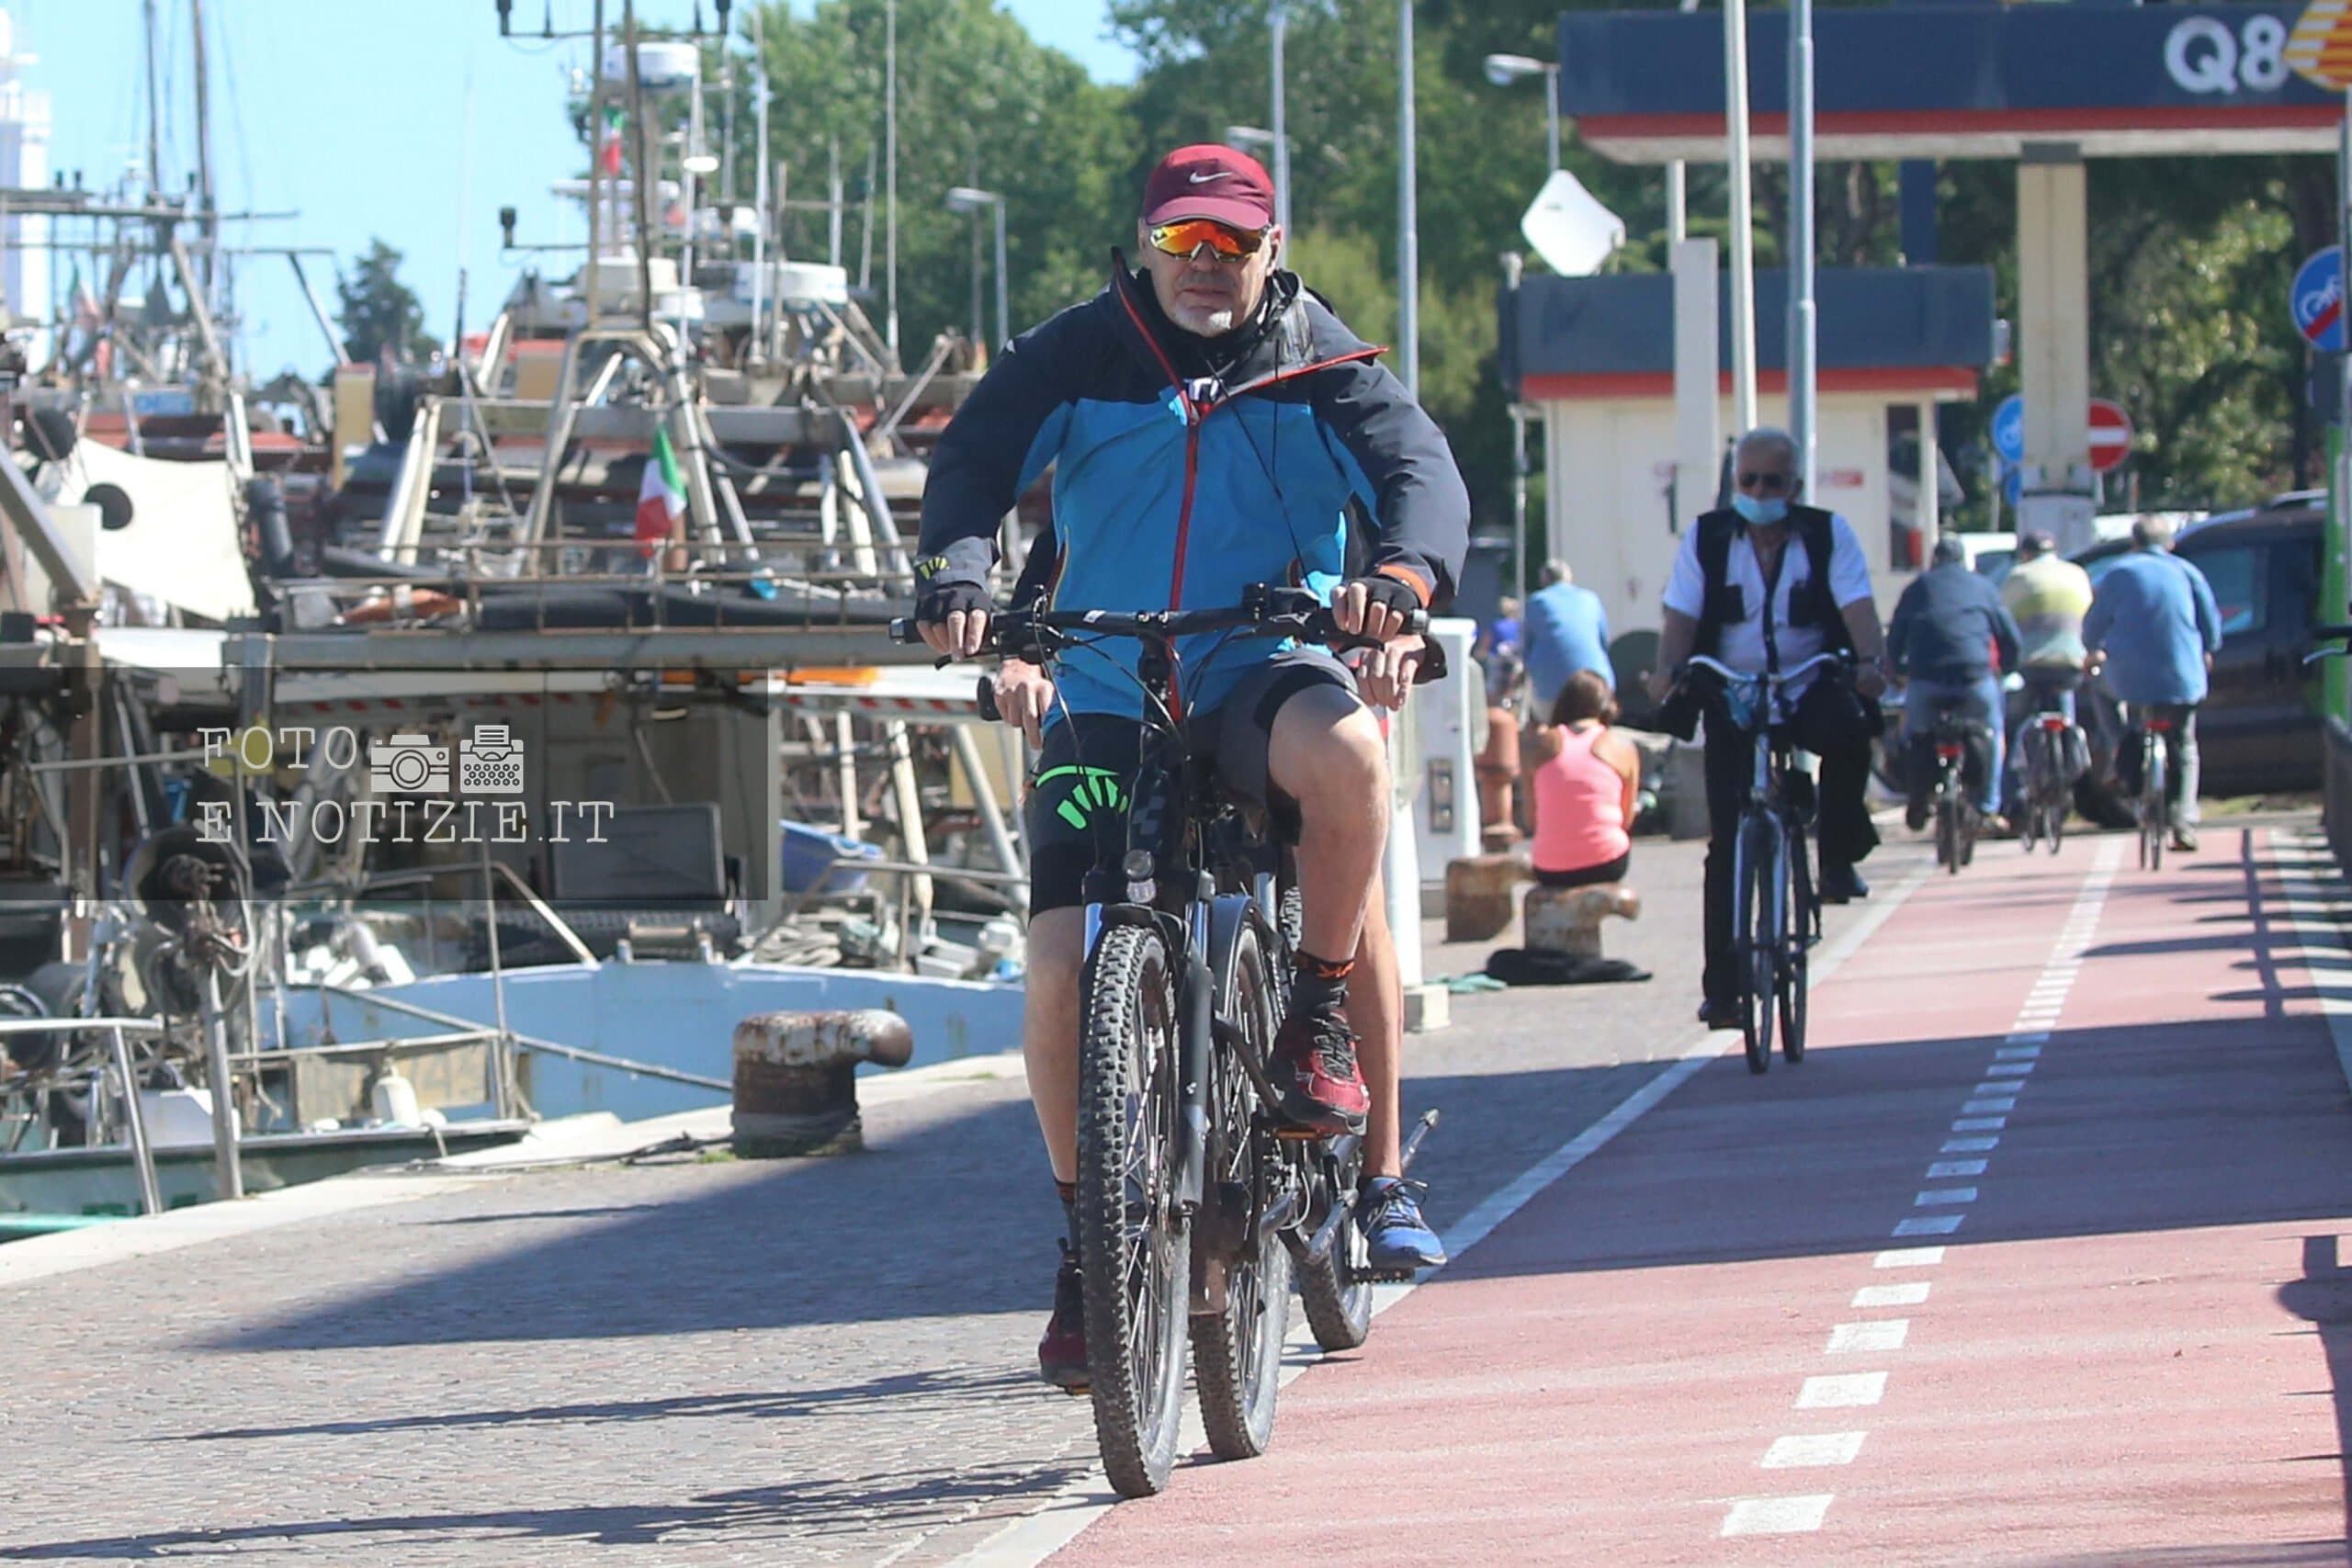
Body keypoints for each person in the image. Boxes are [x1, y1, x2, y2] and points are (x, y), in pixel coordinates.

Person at [914, 144, 1469, 1387]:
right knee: (1059, 966)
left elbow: (1419, 477)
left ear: (1273, 251)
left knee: (1349, 761)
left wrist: (1401, 576)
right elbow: (977, 459)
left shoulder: (1325, 364)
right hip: (1107, 688)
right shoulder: (1075, 353)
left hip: (1258, 665)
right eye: (1183, 241)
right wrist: (957, 574)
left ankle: (1316, 1023)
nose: (1205, 266)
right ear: (1146, 243)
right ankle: (1089, 1243)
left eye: (1232, 244)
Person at [1643, 426, 1891, 1030]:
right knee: (1726, 841)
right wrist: (1667, 671)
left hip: (1806, 681)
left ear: (1794, 487)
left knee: (1849, 732)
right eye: (1747, 481)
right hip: (1732, 691)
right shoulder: (1708, 538)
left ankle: (1836, 857)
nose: (1758, 493)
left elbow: (1857, 606)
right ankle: (1724, 990)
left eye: (1771, 482)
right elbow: (1681, 614)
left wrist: (1871, 662)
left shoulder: (1827, 535)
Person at [2083, 517, 2221, 852]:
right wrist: (2207, 649)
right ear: (2169, 543)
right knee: (2184, 743)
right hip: (2182, 678)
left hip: (2129, 679)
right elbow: (2211, 627)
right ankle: (2184, 819)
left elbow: (2092, 628)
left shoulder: (2118, 573)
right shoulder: (2187, 572)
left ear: (2135, 543)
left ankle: (2119, 748)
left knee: (2098, 686)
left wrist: (2094, 650)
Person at [1888, 534, 2022, 830]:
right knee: (1992, 733)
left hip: (1926, 678)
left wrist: (1897, 671)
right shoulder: (1983, 587)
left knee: (1913, 734)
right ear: (1964, 561)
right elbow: (2009, 636)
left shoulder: (1917, 588)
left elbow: (1896, 636)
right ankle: (1988, 806)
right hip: (1974, 678)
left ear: (1934, 560)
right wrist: (2008, 668)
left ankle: (1918, 796)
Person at [1999, 530, 2095, 806]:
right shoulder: (2077, 573)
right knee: (2065, 717)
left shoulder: (2018, 577)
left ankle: (2011, 798)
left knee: (2014, 725)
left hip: (2031, 665)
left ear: (2025, 554)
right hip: (2071, 664)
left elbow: (2002, 623)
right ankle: (2072, 762)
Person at [1527, 670, 1640, 887]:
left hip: (1549, 867)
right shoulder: (1622, 747)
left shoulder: (1539, 746)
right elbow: (1626, 818)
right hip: (1607, 862)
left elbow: (1531, 818)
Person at [1522, 560, 1614, 716]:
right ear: (1569, 578)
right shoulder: (1591, 598)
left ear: (1544, 580)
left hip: (1551, 691)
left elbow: (1527, 650)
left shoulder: (1536, 601)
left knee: (1543, 717)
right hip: (1598, 686)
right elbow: (1604, 642)